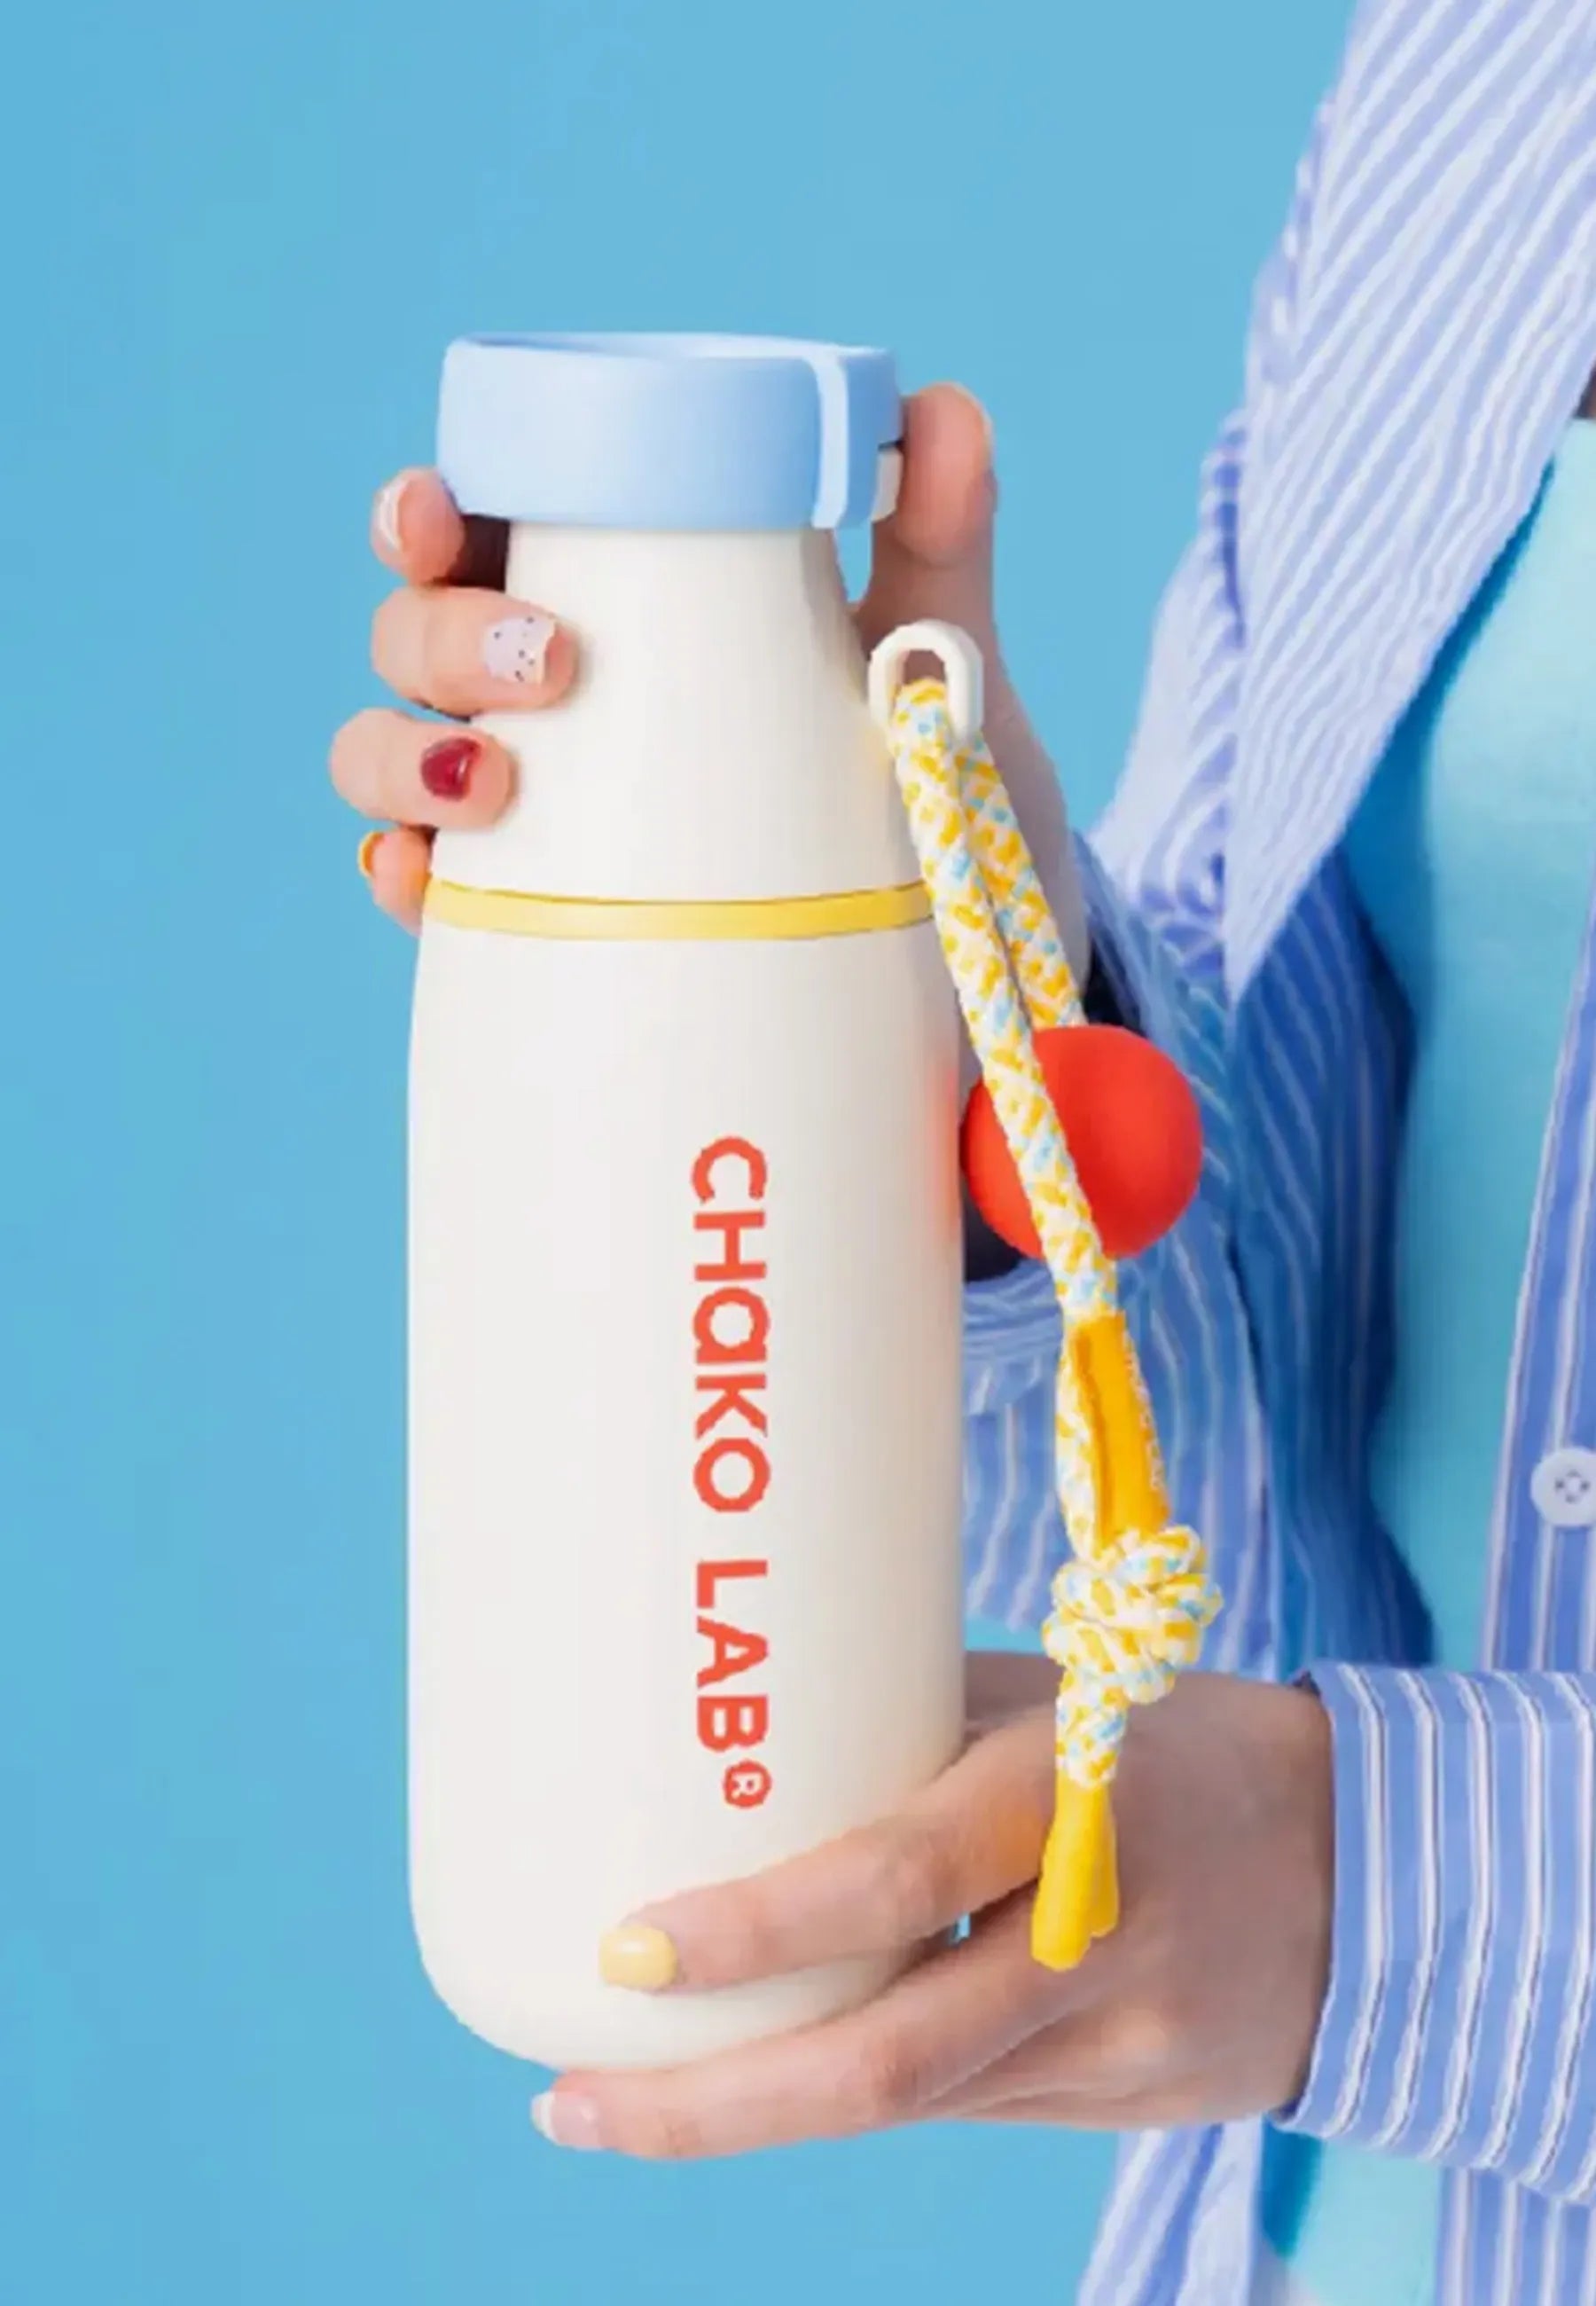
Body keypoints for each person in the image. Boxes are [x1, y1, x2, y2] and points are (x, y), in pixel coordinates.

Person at [329, 3, 1596, 2296]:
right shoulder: (1485, 68)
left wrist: (1393, 1895)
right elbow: (1251, 1440)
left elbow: (1330, 1851)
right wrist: (962, 987)